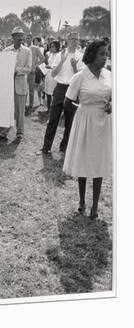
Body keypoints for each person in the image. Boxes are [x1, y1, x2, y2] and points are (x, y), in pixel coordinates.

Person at [62, 40, 111, 220]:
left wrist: (112, 105)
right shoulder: (80, 77)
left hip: (104, 122)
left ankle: (95, 205)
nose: (105, 58)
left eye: (107, 54)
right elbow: (67, 103)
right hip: (84, 122)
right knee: (83, 160)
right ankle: (82, 201)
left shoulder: (109, 75)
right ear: (92, 55)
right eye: (102, 54)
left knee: (99, 161)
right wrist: (82, 114)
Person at [37, 32, 84, 155]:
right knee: (53, 119)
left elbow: (80, 78)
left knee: (70, 121)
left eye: (77, 39)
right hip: (60, 88)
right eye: (72, 39)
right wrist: (62, 61)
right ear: (67, 40)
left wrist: (74, 67)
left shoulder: (81, 56)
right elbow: (53, 74)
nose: (74, 41)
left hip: (73, 89)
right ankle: (46, 147)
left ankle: (64, 147)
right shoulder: (60, 54)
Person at [0, 27, 32, 141]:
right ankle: (3, 131)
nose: (20, 38)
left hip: (20, 85)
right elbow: (2, 66)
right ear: (12, 37)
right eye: (17, 35)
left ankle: (20, 132)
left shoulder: (27, 51)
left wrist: (17, 71)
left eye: (21, 35)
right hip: (8, 85)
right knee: (6, 108)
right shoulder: (6, 50)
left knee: (20, 110)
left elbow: (28, 68)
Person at [25, 33, 46, 115]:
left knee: (31, 90)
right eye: (26, 38)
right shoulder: (23, 47)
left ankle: (31, 105)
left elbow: (43, 58)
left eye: (29, 38)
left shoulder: (35, 48)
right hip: (24, 71)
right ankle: (24, 104)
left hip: (32, 72)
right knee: (24, 89)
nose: (28, 39)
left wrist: (35, 65)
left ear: (32, 39)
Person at [42, 40, 61, 111]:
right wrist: (46, 66)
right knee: (47, 92)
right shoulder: (50, 54)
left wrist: (50, 67)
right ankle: (48, 108)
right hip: (48, 75)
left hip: (55, 76)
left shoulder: (59, 55)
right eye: (50, 46)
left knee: (54, 93)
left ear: (57, 47)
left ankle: (54, 109)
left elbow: (59, 66)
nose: (51, 48)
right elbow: (48, 63)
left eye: (53, 46)